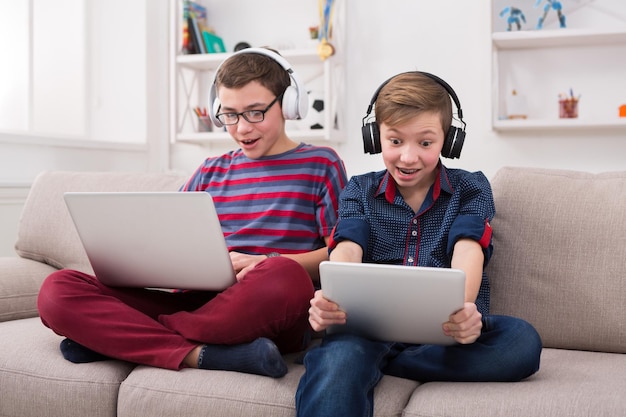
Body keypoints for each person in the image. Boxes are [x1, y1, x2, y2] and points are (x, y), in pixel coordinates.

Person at [37, 47, 348, 379]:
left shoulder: (322, 164)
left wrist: (268, 260)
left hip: (264, 305)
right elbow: (170, 240)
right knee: (57, 289)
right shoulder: (210, 170)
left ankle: (116, 337)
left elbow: (340, 254)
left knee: (285, 279)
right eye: (229, 114)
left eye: (255, 112)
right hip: (194, 302)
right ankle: (200, 353)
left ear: (288, 104)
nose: (242, 128)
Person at [295, 71, 542, 415]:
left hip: (444, 335)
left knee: (521, 341)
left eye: (425, 143)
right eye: (395, 141)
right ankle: (364, 357)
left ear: (448, 140)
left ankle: (384, 363)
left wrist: (463, 311)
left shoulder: (471, 188)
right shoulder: (359, 190)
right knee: (342, 354)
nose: (408, 158)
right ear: (374, 136)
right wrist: (332, 298)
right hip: (366, 332)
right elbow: (347, 246)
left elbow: (469, 248)